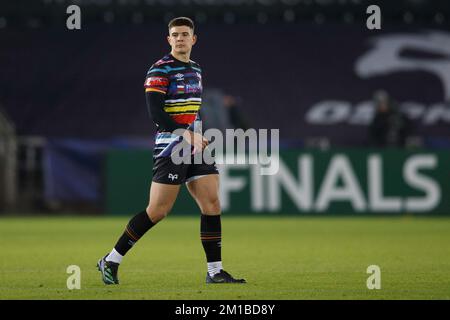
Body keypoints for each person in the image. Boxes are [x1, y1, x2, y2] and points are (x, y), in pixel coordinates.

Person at [97, 17, 246, 285]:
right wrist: (186, 134)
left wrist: (198, 133)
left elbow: (191, 108)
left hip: (196, 146)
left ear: (193, 39)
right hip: (172, 147)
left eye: (184, 34)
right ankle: (111, 259)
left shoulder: (197, 69)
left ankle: (215, 272)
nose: (179, 38)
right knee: (158, 210)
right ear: (169, 40)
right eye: (175, 34)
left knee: (212, 204)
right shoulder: (159, 70)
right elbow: (156, 115)